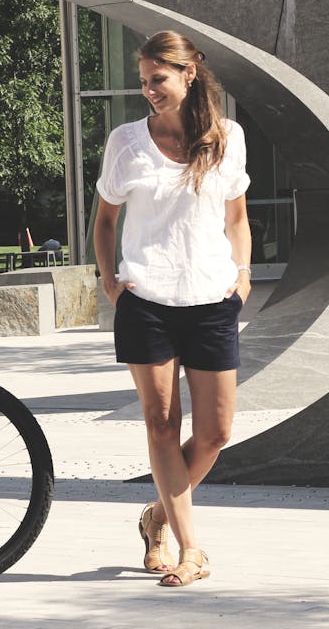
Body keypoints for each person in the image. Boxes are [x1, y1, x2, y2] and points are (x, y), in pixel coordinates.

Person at [92, 30, 252, 588]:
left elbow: (236, 216)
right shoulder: (126, 143)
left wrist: (243, 275)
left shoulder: (227, 138)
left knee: (216, 432)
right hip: (147, 301)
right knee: (162, 424)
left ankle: (156, 515)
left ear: (189, 74)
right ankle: (191, 549)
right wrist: (112, 284)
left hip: (211, 299)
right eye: (143, 82)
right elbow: (105, 221)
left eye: (157, 79)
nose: (149, 91)